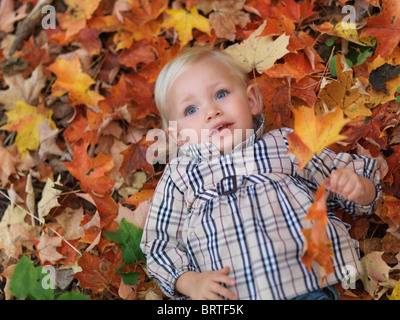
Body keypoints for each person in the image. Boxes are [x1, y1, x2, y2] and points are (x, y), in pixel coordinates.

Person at [140, 46, 381, 300]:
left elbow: (344, 178)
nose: (212, 111)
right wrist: (190, 283)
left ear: (252, 100)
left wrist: (360, 188)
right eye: (191, 110)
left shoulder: (284, 144)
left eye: (221, 94)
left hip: (303, 284)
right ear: (178, 136)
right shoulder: (180, 176)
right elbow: (159, 244)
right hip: (230, 297)